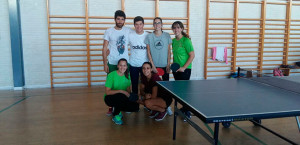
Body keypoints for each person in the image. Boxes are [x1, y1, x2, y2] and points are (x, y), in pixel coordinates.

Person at [102, 10, 133, 116]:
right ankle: (111, 106)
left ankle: (125, 104)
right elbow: (104, 47)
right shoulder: (109, 31)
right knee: (112, 85)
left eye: (122, 19)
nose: (120, 21)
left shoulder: (128, 30)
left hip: (125, 63)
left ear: (124, 20)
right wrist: (105, 63)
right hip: (112, 62)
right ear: (115, 19)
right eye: (118, 19)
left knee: (126, 84)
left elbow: (139, 35)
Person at [171, 21, 195, 121]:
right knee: (179, 92)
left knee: (184, 92)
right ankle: (184, 109)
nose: (176, 30)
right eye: (174, 28)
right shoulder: (173, 41)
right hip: (176, 69)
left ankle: (187, 112)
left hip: (185, 70)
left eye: (178, 28)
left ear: (181, 29)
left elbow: (192, 55)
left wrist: (184, 67)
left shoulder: (186, 41)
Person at [104, 58, 139, 125]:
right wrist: (121, 91)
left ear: (126, 66)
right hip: (109, 98)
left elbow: (128, 90)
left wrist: (132, 97)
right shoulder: (111, 75)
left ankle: (118, 109)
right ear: (117, 66)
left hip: (122, 97)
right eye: (120, 65)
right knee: (120, 96)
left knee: (135, 107)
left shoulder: (127, 75)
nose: (122, 67)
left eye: (124, 65)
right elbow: (107, 92)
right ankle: (115, 115)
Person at [129, 16, 148, 94]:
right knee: (134, 85)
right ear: (134, 25)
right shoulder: (130, 35)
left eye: (140, 24)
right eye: (136, 24)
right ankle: (135, 103)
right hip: (133, 64)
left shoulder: (148, 35)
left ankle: (145, 102)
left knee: (145, 85)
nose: (138, 26)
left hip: (145, 64)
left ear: (143, 25)